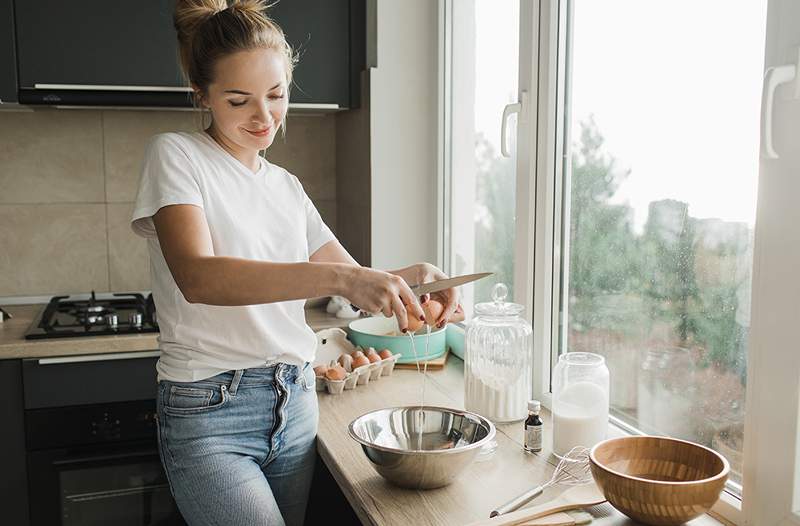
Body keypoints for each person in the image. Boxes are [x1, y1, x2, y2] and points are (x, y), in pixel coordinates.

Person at [130, 1, 460, 524]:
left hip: (295, 401)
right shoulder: (176, 156)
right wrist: (344, 277)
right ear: (202, 94)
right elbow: (198, 276)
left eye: (277, 96)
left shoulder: (286, 187)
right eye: (239, 100)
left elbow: (353, 282)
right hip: (210, 410)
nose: (264, 118)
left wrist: (417, 279)